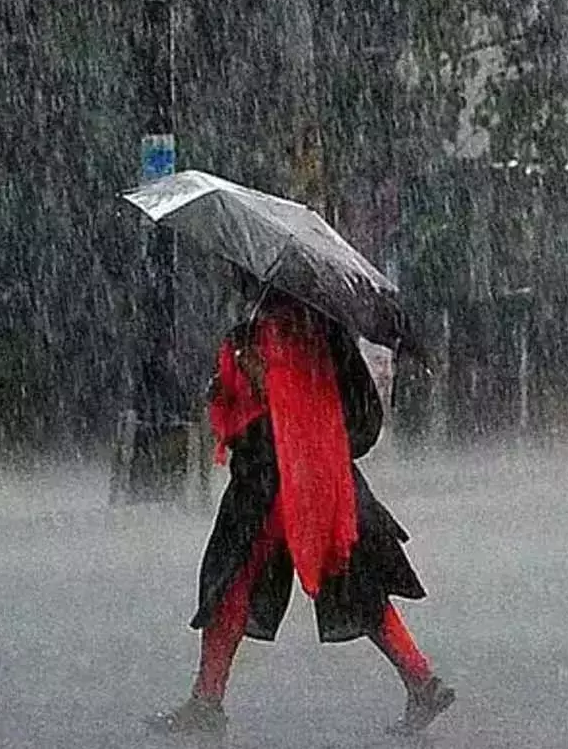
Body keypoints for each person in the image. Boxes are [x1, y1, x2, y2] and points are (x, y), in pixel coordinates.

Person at [152, 287, 455, 737]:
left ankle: (207, 701)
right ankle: (420, 678)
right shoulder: (327, 334)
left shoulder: (261, 334)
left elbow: (255, 414)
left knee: (230, 584)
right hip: (328, 480)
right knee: (358, 584)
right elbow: (351, 414)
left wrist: (250, 380)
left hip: (269, 485)